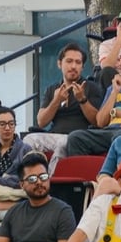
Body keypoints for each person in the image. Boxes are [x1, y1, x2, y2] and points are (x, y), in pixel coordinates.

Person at [24, 43, 104, 171]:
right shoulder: (52, 89)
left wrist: (82, 100)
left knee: (64, 143)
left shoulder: (90, 87)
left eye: (78, 62)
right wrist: (56, 100)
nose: (73, 66)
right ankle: (26, 177)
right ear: (59, 64)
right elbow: (41, 122)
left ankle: (49, 181)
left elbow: (97, 121)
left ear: (82, 67)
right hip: (54, 135)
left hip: (79, 138)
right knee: (29, 139)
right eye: (69, 61)